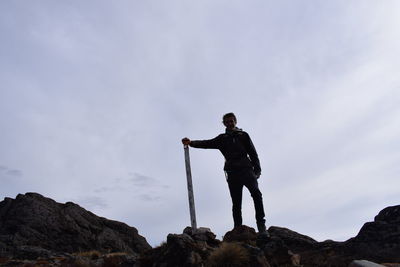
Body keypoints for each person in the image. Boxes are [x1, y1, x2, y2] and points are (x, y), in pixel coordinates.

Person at [182, 112, 267, 233]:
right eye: (227, 122)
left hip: (247, 170)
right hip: (232, 173)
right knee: (236, 202)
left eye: (231, 121)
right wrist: (191, 143)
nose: (229, 123)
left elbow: (253, 153)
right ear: (224, 124)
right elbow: (207, 143)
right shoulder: (222, 139)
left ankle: (261, 225)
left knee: (257, 195)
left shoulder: (243, 135)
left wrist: (257, 171)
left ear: (235, 121)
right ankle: (238, 228)